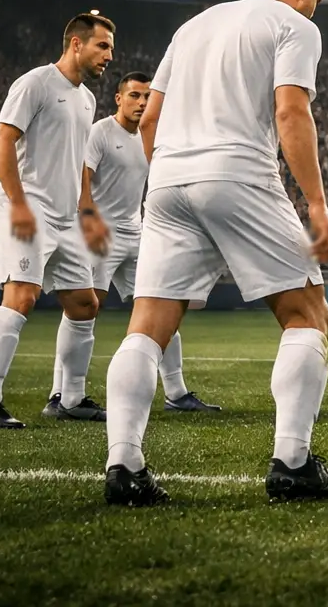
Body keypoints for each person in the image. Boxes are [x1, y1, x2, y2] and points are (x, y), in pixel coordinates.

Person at [102, 0, 328, 506]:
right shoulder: (295, 25)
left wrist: (173, 174)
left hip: (167, 180)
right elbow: (291, 110)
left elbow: (151, 120)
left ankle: (124, 466)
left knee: (146, 327)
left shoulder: (193, 26)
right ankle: (292, 463)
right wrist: (317, 206)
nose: (315, 6)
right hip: (238, 172)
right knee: (308, 314)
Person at [0, 13, 115, 429]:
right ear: (75, 44)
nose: (108, 56)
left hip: (66, 216)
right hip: (28, 206)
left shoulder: (86, 99)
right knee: (22, 297)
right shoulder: (34, 83)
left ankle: (68, 398)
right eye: (102, 46)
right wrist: (16, 204)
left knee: (85, 304)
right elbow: (1, 141)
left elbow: (74, 165)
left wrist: (85, 213)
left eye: (110, 48)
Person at [47, 72, 219, 418]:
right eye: (135, 96)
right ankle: (60, 394)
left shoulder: (153, 136)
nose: (141, 103)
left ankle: (176, 392)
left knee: (165, 306)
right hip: (100, 235)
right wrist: (89, 218)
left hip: (137, 234)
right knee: (83, 310)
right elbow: (84, 175)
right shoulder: (101, 132)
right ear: (118, 98)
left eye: (146, 97)